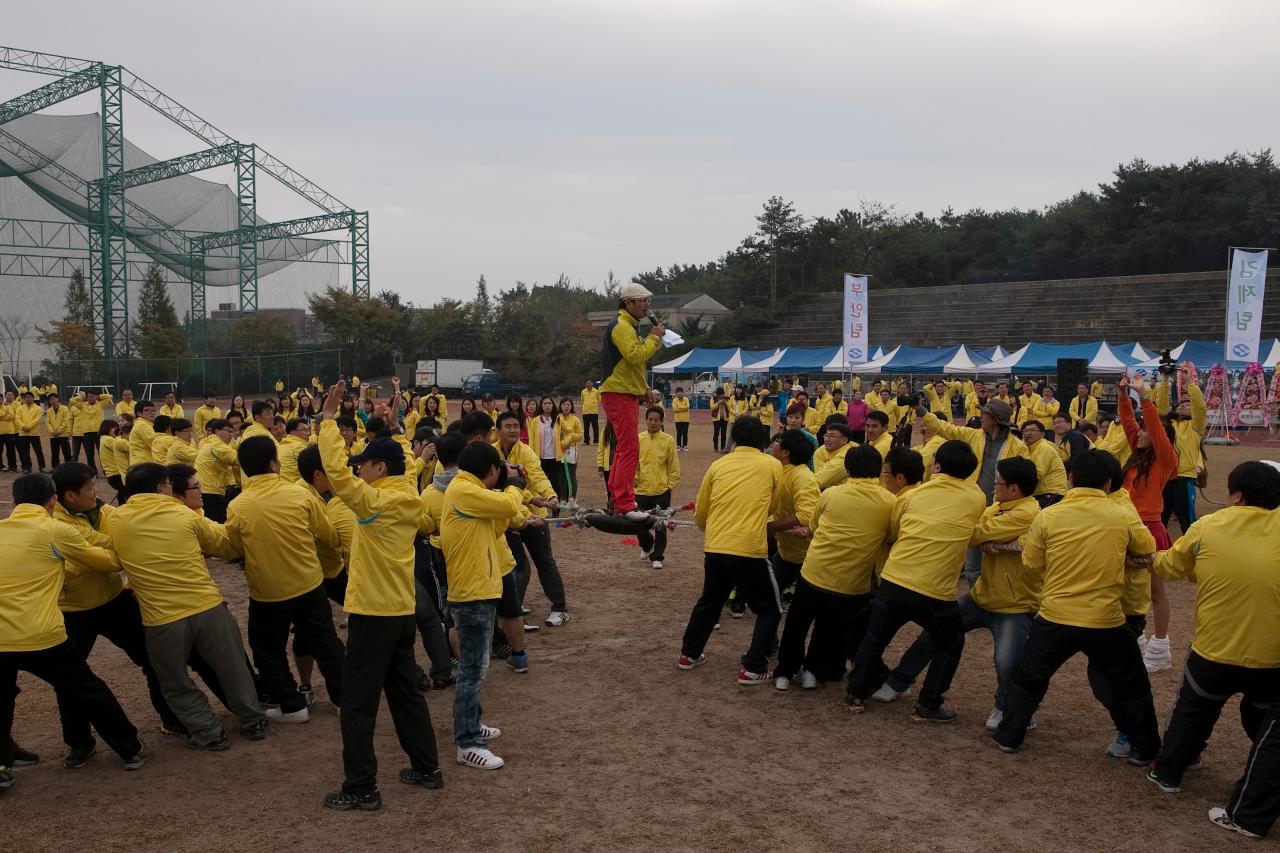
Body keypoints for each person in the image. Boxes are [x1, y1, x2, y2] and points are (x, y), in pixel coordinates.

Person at [317, 383, 442, 810]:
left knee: (356, 702)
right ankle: (427, 767)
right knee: (405, 693)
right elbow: (404, 467)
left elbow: (335, 475)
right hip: (400, 611)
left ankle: (361, 787)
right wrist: (392, 423)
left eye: (363, 465)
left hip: (372, 613)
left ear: (379, 470)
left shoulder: (375, 504)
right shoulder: (405, 496)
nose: (357, 471)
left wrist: (328, 420)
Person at [992, 450, 1160, 759]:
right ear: (1109, 483)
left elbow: (1031, 563)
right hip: (1105, 618)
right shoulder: (1122, 514)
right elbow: (1147, 550)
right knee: (1132, 685)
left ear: (1070, 478)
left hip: (1055, 615)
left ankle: (1009, 736)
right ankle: (1144, 748)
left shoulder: (1048, 515)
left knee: (1029, 678)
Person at [0, 473, 150, 786]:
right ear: (53, 500)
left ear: (14, 502)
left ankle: (4, 761)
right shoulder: (54, 529)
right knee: (86, 687)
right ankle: (129, 747)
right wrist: (127, 551)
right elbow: (105, 562)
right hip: (40, 634)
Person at [874, 457, 1041, 730]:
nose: (993, 487)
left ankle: (1006, 706)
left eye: (997, 483)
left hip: (1014, 604)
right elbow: (978, 533)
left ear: (1014, 488)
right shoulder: (998, 507)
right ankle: (898, 681)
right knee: (934, 634)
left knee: (1006, 661)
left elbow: (974, 535)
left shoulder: (1027, 513)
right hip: (981, 596)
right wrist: (994, 541)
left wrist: (982, 536)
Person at [108, 463, 266, 751]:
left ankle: (208, 732)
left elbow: (108, 554)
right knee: (232, 668)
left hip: (161, 619)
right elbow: (222, 544)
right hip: (207, 607)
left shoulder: (117, 520)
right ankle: (252, 720)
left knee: (175, 682)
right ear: (161, 488)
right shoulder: (183, 513)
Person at [1145, 461, 1280, 797]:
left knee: (1192, 710)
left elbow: (1171, 565)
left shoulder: (1209, 525)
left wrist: (1150, 557)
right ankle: (1265, 772)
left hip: (1213, 649)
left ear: (1236, 494)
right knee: (1265, 718)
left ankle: (1169, 773)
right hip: (1270, 655)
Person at [845, 440, 985, 720]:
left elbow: (895, 529)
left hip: (894, 580)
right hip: (935, 591)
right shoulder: (977, 497)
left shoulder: (912, 496)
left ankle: (855, 694)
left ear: (936, 466)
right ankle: (928, 704)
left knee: (874, 640)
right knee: (950, 642)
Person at [224, 436, 344, 724]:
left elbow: (231, 547)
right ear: (274, 463)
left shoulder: (238, 506)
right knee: (326, 642)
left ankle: (292, 706)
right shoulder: (300, 496)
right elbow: (330, 535)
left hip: (268, 593)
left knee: (268, 650)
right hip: (309, 584)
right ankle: (345, 698)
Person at [678, 416, 783, 684]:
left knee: (710, 600)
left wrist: (709, 528)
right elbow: (773, 504)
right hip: (749, 548)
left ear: (733, 439)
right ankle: (753, 667)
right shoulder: (772, 464)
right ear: (762, 440)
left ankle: (689, 654)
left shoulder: (718, 465)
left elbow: (702, 512)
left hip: (716, 545)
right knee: (770, 609)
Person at [442, 442, 526, 771]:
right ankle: (467, 743)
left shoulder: (468, 493)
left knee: (475, 669)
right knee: (473, 672)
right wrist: (515, 488)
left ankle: (473, 725)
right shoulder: (464, 490)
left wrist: (511, 498)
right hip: (472, 591)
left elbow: (500, 520)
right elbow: (507, 505)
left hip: (479, 587)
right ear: (490, 470)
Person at [774, 441, 882, 690]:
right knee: (828, 626)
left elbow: (813, 526)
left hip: (815, 572)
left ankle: (784, 671)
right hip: (851, 580)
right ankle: (813, 671)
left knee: (797, 623)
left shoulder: (831, 494)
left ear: (848, 469)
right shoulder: (888, 501)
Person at [919, 398, 1028, 585]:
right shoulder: (974, 435)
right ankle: (973, 592)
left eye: (984, 414)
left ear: (994, 419)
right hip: (973, 505)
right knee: (972, 562)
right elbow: (946, 428)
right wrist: (920, 409)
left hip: (1000, 510)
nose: (980, 417)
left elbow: (1023, 480)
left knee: (997, 561)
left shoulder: (1019, 447)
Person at [1115, 373, 1179, 673]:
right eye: (1139, 431)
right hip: (1125, 528)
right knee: (1125, 587)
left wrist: (1145, 397)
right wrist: (1123, 395)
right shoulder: (1136, 455)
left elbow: (1153, 427)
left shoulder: (1165, 460)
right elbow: (1129, 421)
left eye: (1145, 431)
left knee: (1156, 592)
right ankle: (1136, 640)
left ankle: (1160, 647)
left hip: (1150, 529)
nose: (1139, 433)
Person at [494, 412, 569, 626]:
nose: (513, 430)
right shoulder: (492, 453)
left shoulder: (526, 452)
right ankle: (513, 611)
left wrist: (550, 496)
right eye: (507, 426)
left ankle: (559, 608)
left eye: (516, 426)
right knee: (516, 565)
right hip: (508, 517)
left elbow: (537, 476)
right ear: (498, 431)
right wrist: (530, 496)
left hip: (535, 517)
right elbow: (503, 485)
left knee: (544, 562)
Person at [1155, 365, 1207, 536]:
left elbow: (1199, 406)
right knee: (1159, 518)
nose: (1183, 406)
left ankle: (1192, 553)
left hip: (1184, 477)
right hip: (1164, 476)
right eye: (1181, 404)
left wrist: (1189, 382)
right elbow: (1161, 406)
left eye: (1187, 404)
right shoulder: (1169, 425)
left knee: (1187, 521)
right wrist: (1164, 380)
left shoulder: (1196, 426)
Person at [636, 406, 680, 570]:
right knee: (637, 522)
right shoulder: (638, 438)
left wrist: (670, 486)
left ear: (662, 421)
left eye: (656, 420)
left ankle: (657, 556)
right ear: (645, 420)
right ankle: (647, 545)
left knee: (660, 525)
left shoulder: (668, 440)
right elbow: (633, 462)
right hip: (640, 489)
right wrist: (634, 479)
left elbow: (673, 464)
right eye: (650, 419)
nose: (653, 422)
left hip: (661, 490)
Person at [196, 419, 239, 523]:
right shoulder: (217, 445)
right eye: (228, 431)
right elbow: (237, 458)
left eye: (232, 432)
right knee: (218, 524)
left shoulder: (209, 442)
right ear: (217, 431)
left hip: (206, 489)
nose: (230, 435)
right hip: (211, 492)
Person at [1020, 419, 1067, 506]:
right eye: (1026, 431)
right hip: (1042, 493)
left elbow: (1037, 474)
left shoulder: (1044, 448)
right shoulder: (1028, 449)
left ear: (1042, 434)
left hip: (1052, 493)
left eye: (1033, 430)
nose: (1029, 433)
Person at [557, 398, 583, 506]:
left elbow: (580, 435)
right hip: (559, 450)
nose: (566, 407)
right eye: (564, 404)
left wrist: (570, 437)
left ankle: (572, 499)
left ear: (571, 406)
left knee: (571, 475)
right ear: (560, 406)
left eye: (568, 404)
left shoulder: (575, 419)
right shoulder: (557, 418)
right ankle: (562, 499)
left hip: (571, 450)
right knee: (561, 475)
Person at [71, 391, 104, 469]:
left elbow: (110, 397)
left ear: (96, 397)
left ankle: (105, 470)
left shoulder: (101, 404)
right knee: (89, 454)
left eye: (93, 396)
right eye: (89, 396)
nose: (91, 398)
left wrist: (99, 396)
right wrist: (81, 397)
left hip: (98, 432)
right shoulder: (82, 406)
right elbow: (72, 400)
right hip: (87, 433)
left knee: (102, 453)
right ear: (86, 398)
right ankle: (93, 470)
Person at [15, 392, 46, 473]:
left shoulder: (38, 408)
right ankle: (27, 468)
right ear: (24, 399)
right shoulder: (20, 408)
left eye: (30, 397)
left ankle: (42, 467)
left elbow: (37, 419)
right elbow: (17, 419)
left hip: (34, 433)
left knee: (38, 451)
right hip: (23, 433)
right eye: (27, 397)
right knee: (25, 452)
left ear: (33, 398)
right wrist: (23, 427)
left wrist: (28, 427)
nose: (28, 398)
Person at [277, 418, 312, 483]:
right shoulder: (299, 446)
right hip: (294, 485)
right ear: (292, 432)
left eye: (308, 430)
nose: (308, 433)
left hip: (279, 484)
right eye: (304, 430)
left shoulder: (282, 445)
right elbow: (312, 467)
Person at [127, 399, 157, 467]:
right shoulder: (142, 425)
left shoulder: (145, 424)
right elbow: (155, 444)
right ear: (139, 413)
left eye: (153, 410)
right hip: (144, 465)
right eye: (147, 410)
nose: (151, 412)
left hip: (142, 463)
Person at [0, 390, 17, 472]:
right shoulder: (7, 407)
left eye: (0, 399)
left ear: (3, 399)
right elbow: (5, 415)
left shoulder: (8, 406)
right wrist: (4, 414)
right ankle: (0, 466)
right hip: (0, 432)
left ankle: (12, 466)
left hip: (9, 432)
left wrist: (2, 417)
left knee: (10, 450)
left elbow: (11, 416)